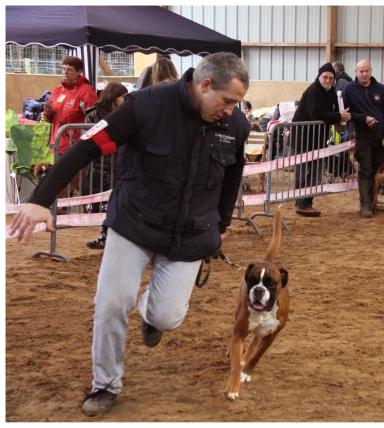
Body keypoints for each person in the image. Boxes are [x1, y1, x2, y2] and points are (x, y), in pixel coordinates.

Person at [9, 52, 250, 416]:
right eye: (228, 101)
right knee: (111, 303)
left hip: (190, 234)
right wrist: (41, 199)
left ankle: (151, 314)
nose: (232, 111)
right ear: (204, 85)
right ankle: (106, 384)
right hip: (133, 225)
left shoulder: (235, 125)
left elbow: (231, 177)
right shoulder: (144, 107)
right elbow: (87, 147)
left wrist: (221, 226)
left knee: (168, 317)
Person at [291, 63, 351, 217]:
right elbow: (315, 114)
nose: (328, 80)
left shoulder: (331, 92)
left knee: (316, 172)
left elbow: (332, 111)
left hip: (318, 139)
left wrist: (338, 121)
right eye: (325, 77)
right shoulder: (313, 91)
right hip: (302, 139)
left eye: (331, 78)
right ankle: (301, 203)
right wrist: (338, 117)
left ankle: (307, 202)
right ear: (319, 77)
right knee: (303, 172)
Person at [342, 59, 384, 218]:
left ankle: (372, 202)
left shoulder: (379, 88)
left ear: (371, 71)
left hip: (380, 137)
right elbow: (346, 113)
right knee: (365, 169)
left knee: (377, 170)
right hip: (362, 136)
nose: (364, 74)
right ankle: (365, 205)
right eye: (361, 71)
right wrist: (364, 118)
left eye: (367, 71)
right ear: (356, 72)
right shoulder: (349, 89)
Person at [83, 82, 129, 249]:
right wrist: (112, 146)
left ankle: (113, 238)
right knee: (101, 206)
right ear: (113, 97)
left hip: (119, 166)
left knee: (117, 205)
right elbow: (89, 140)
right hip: (99, 167)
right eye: (123, 96)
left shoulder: (126, 113)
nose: (126, 99)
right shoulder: (92, 114)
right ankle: (104, 236)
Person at [43, 56, 98, 154]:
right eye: (63, 69)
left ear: (79, 72)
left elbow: (94, 120)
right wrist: (48, 112)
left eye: (69, 69)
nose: (65, 72)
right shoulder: (58, 90)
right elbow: (50, 119)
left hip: (74, 148)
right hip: (56, 145)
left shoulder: (87, 92)